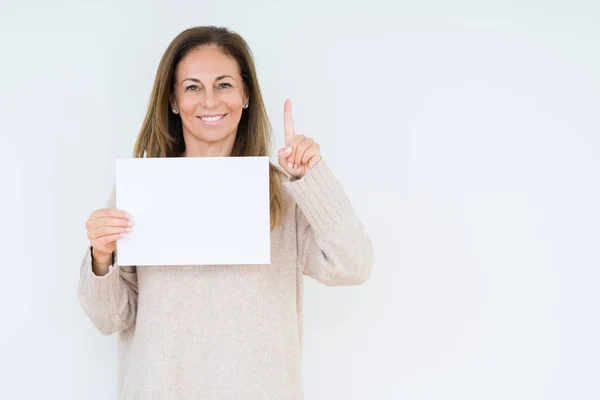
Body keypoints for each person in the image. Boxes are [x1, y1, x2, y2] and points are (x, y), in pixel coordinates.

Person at [78, 25, 373, 400]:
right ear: (173, 100)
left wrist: (313, 178)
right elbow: (109, 319)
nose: (209, 101)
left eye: (224, 85)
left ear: (246, 94)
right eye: (192, 87)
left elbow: (353, 266)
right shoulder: (139, 188)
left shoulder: (281, 190)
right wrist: (101, 258)